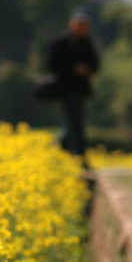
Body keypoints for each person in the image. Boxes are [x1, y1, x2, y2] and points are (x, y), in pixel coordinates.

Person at [48, 11, 100, 160]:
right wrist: (73, 68)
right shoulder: (61, 41)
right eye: (80, 26)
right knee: (74, 122)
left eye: (85, 26)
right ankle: (79, 156)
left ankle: (61, 152)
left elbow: (95, 64)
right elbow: (52, 63)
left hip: (80, 88)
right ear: (72, 25)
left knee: (72, 122)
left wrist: (87, 69)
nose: (83, 29)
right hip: (65, 87)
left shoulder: (87, 42)